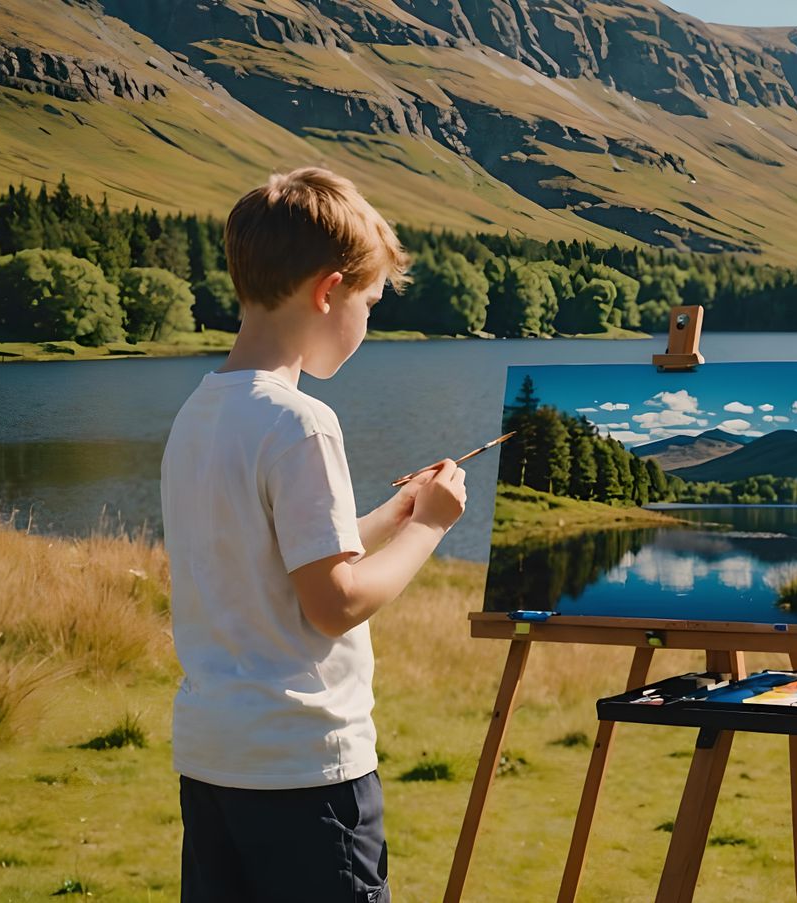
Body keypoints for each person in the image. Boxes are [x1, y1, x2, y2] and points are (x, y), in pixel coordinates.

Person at [161, 167, 466, 901]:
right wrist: (428, 528)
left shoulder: (200, 413)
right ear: (329, 291)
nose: (367, 322)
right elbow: (332, 603)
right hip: (307, 771)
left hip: (213, 766)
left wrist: (390, 515)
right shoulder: (302, 423)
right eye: (369, 303)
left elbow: (279, 561)